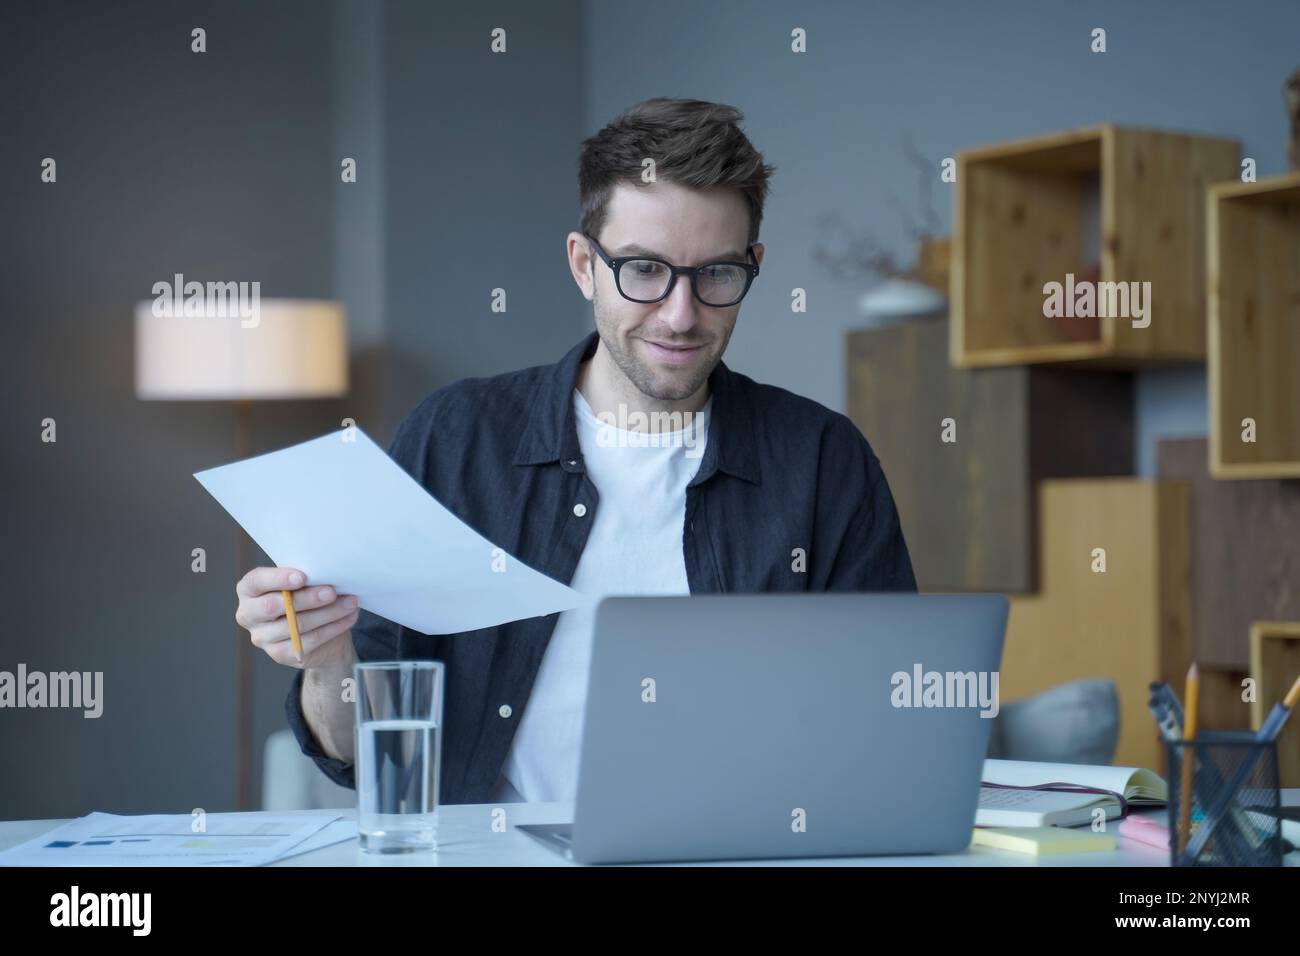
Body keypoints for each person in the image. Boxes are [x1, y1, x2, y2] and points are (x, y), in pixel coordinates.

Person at [234, 97, 916, 806]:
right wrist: (325, 659)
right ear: (583, 265)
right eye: (644, 270)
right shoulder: (457, 438)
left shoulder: (822, 460)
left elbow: (888, 720)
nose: (681, 316)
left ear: (754, 266)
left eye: (716, 274)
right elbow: (358, 750)